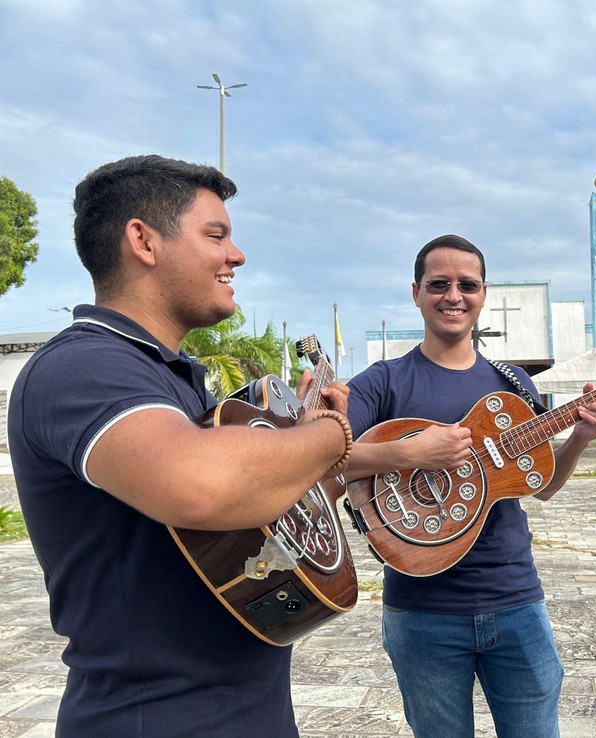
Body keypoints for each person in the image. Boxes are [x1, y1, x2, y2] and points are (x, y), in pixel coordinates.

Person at [7, 154, 352, 737]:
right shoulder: (84, 365)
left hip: (245, 708)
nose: (235, 256)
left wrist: (309, 449)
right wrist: (330, 435)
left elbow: (255, 505)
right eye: (215, 235)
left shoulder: (170, 377)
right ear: (143, 241)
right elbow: (200, 486)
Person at [341, 234, 596, 737]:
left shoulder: (513, 383)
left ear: (484, 293)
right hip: (421, 609)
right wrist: (406, 452)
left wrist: (579, 437)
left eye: (467, 285)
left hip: (516, 600)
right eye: (439, 284)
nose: (454, 295)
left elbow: (541, 485)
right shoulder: (382, 381)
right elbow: (324, 457)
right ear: (416, 292)